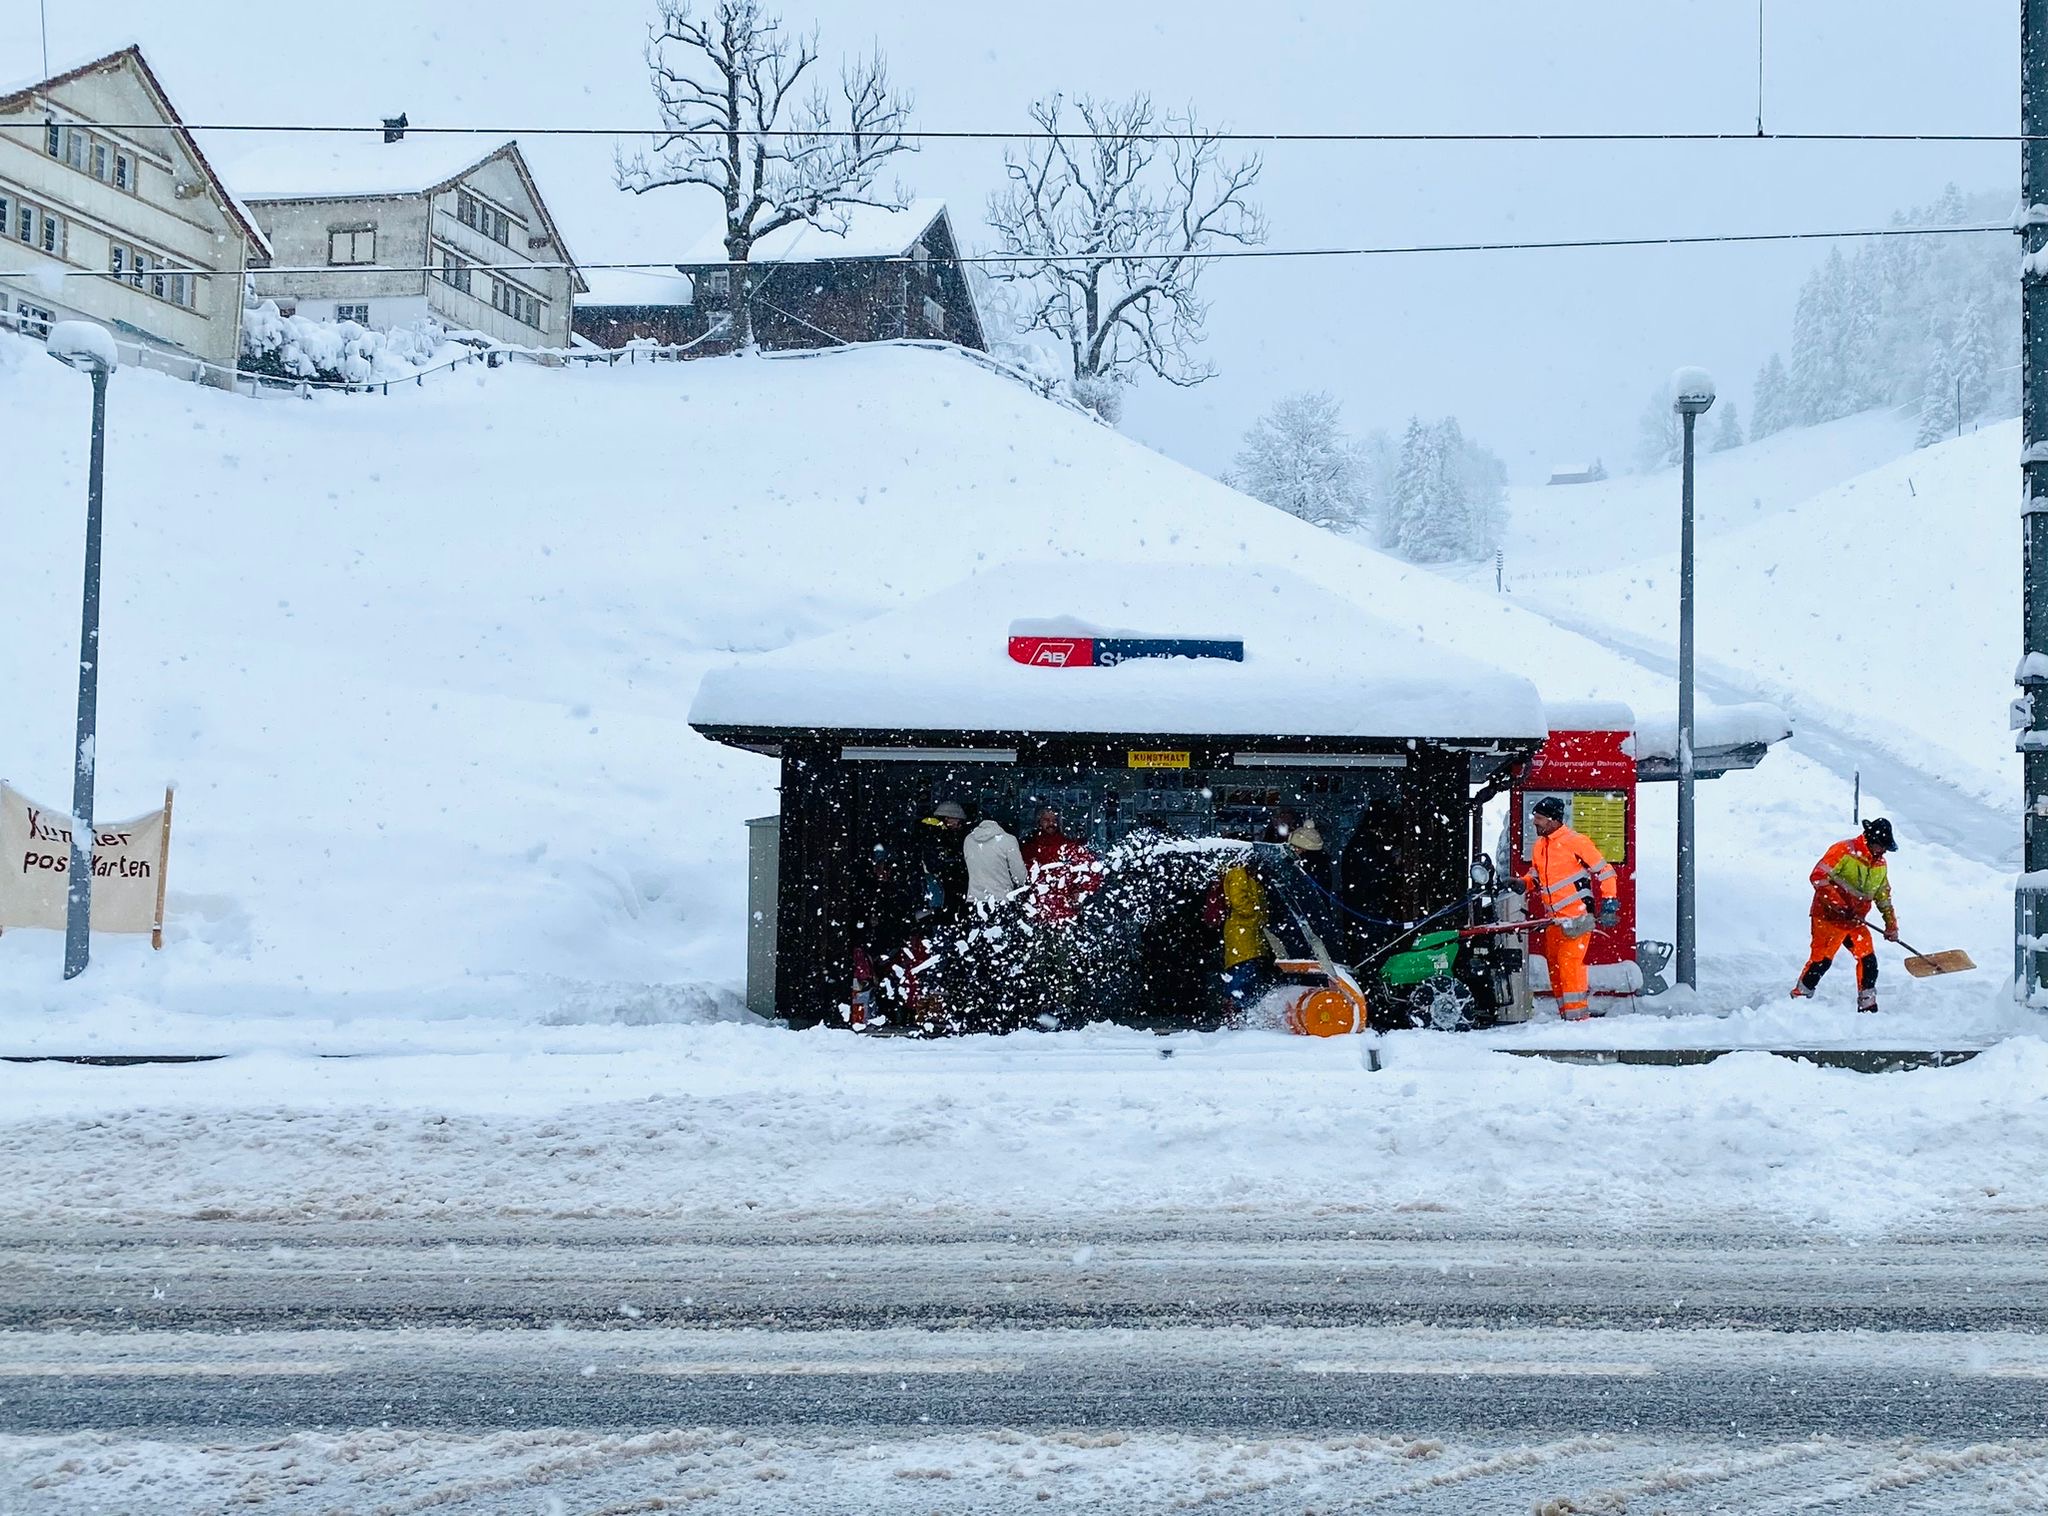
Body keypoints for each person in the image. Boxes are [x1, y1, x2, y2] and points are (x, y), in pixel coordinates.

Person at [1522, 795, 1619, 1021]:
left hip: (1577, 920)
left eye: (1539, 818)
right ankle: (1567, 1015)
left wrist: (1610, 901)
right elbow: (1535, 877)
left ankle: (1578, 1020)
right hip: (1553, 921)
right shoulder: (1540, 846)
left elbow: (1605, 871)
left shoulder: (1576, 841)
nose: (1535, 822)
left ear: (1554, 820)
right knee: (1555, 969)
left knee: (1569, 966)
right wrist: (1522, 883)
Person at [1793, 817, 1899, 1013]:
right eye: (1881, 846)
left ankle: (1867, 1005)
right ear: (1871, 840)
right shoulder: (1843, 850)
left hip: (1854, 922)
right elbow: (1818, 877)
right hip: (1828, 918)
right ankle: (1798, 999)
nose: (1883, 851)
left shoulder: (1880, 865)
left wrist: (1891, 925)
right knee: (1821, 961)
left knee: (1869, 961)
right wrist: (1839, 906)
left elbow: (1883, 896)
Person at [1022, 807, 1101, 925]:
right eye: (1046, 820)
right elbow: (1020, 875)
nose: (1051, 823)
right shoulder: (1029, 848)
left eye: (1054, 820)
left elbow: (1093, 871)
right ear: (1039, 822)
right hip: (1039, 912)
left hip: (1065, 913)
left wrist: (1080, 892)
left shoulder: (1069, 846)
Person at [1217, 859, 1275, 1013]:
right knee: (1243, 972)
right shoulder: (1238, 873)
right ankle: (1236, 1009)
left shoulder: (1244, 873)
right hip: (1242, 932)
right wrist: (1256, 913)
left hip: (1247, 932)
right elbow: (1239, 902)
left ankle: (1239, 1008)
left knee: (1246, 970)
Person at [963, 811, 1030, 908]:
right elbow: (1018, 873)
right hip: (1001, 898)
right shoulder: (1009, 840)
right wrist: (1022, 883)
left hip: (974, 899)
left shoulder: (968, 840)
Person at [918, 800, 971, 918]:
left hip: (939, 883)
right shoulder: (938, 834)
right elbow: (935, 862)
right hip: (940, 883)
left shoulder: (933, 831)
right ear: (948, 818)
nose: (959, 825)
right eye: (957, 821)